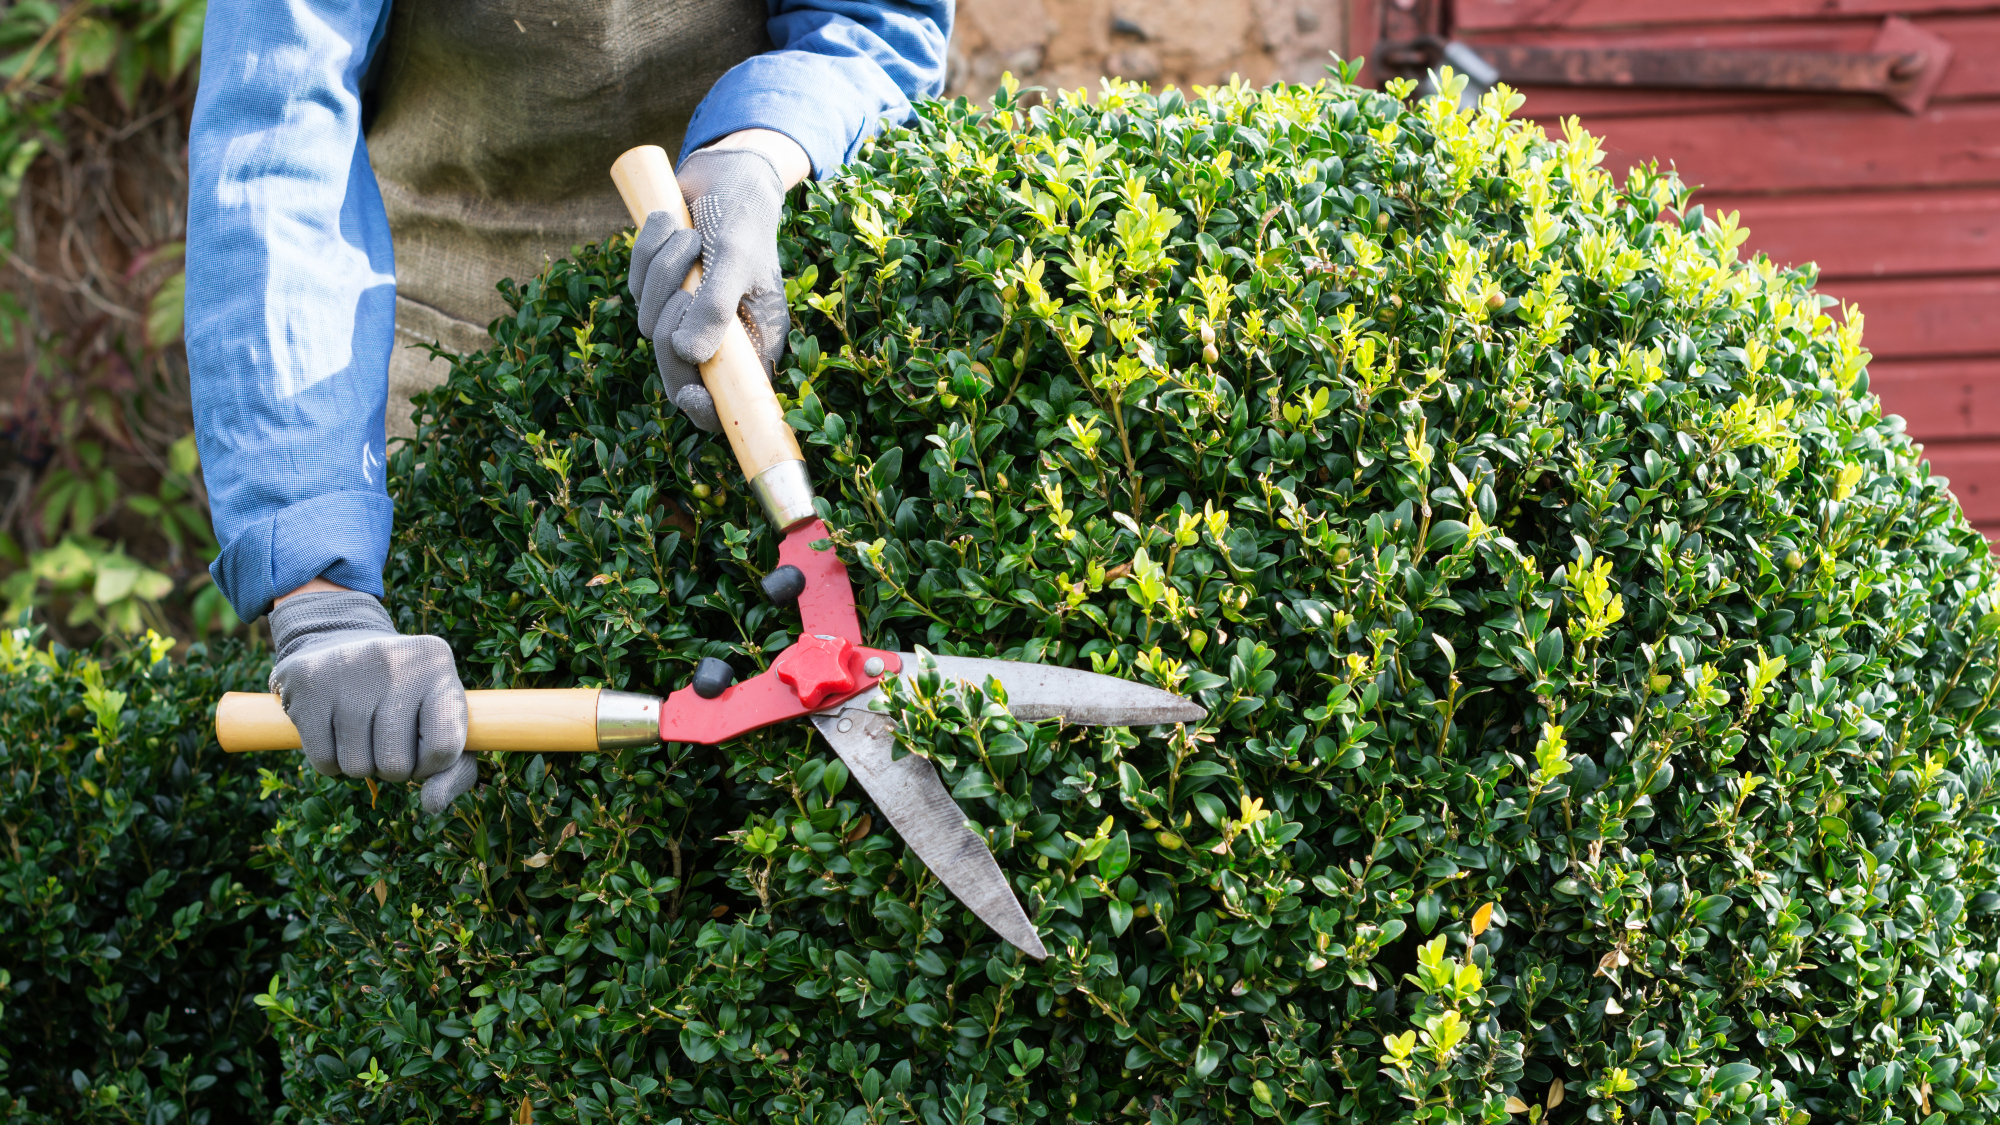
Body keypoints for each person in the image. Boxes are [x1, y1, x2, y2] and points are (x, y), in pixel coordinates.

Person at [184, 0, 950, 813]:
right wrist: (319, 590)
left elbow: (875, 22)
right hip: (436, 350)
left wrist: (759, 148)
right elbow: (275, 132)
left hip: (743, 296)